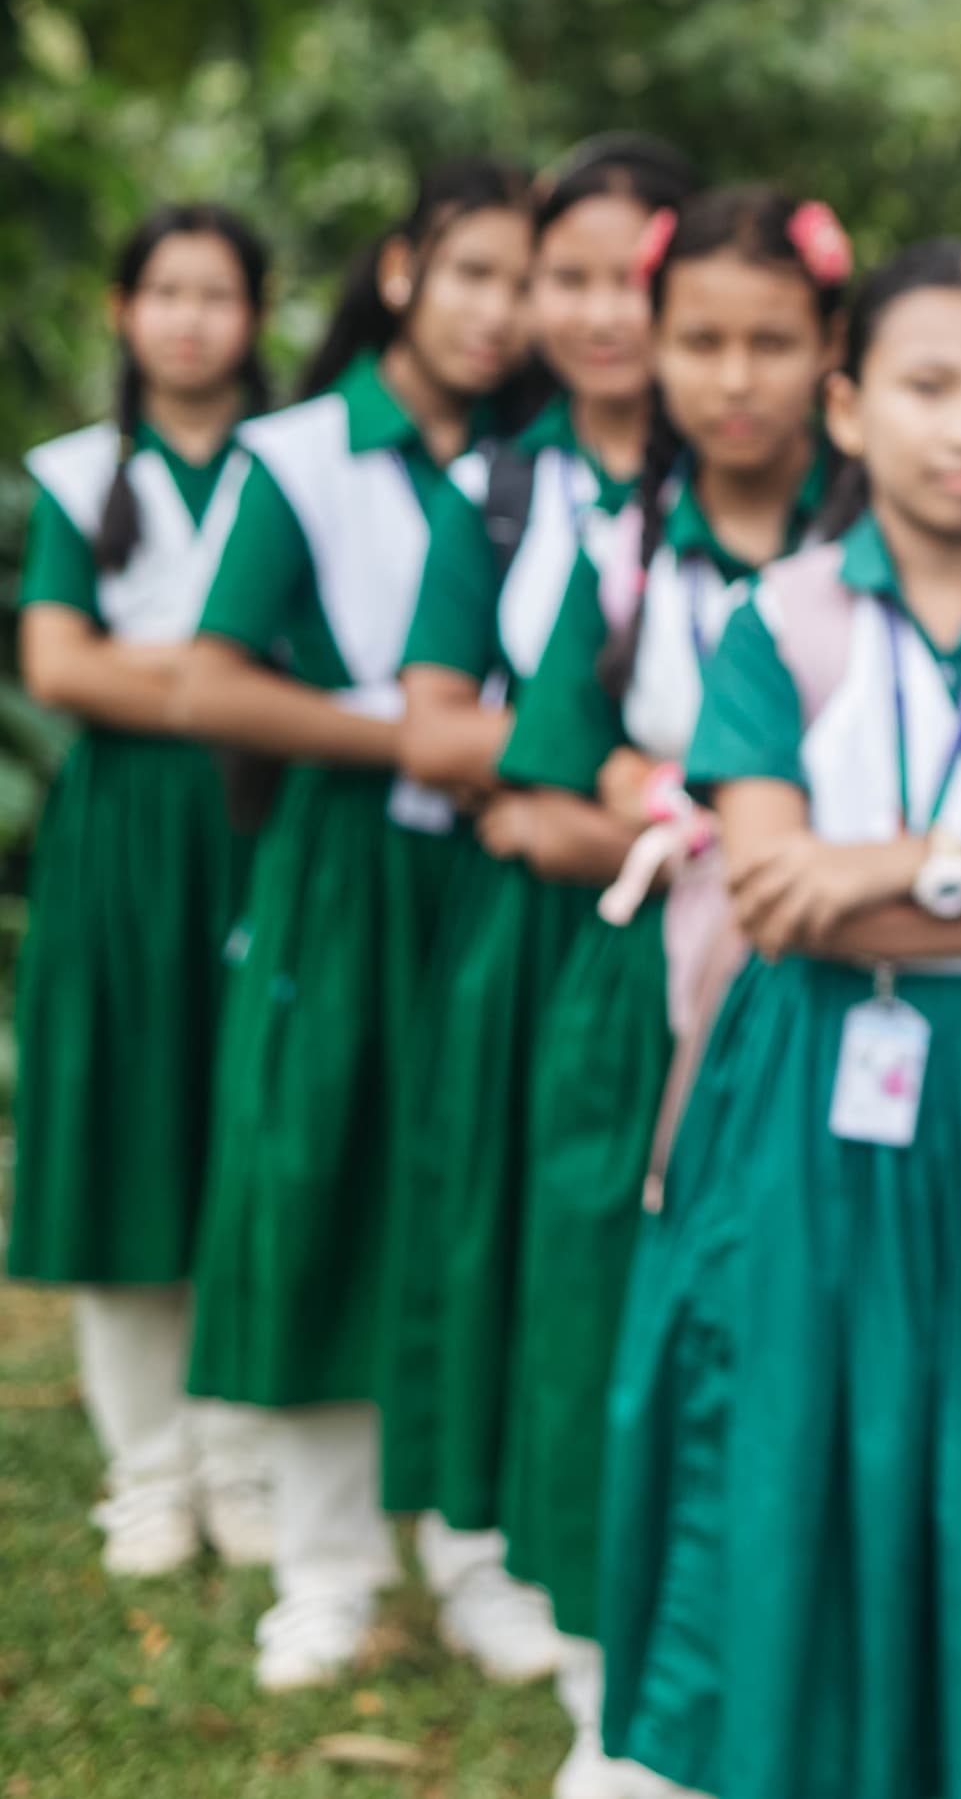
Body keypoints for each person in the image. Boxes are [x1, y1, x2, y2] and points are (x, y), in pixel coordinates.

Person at [601, 240, 961, 1799]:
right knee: (801, 1396)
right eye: (927, 387)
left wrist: (903, 866)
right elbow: (775, 891)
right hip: (808, 1069)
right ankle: (785, 1739)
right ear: (849, 408)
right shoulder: (775, 625)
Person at [478, 185, 849, 1798]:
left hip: (832, 992)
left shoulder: (880, 538)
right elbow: (524, 794)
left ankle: (810, 1651)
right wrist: (673, 811)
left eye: (773, 339)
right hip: (640, 1003)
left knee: (809, 1313)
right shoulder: (623, 559)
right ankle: (613, 1685)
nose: (734, 376)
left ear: (834, 354)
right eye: (702, 339)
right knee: (618, 1323)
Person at [173, 159, 539, 1689]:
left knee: (474, 1202)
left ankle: (477, 1557)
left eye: (529, 283)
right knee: (316, 1189)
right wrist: (413, 738)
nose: (500, 312)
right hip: (340, 870)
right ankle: (326, 1569)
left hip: (499, 878)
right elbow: (210, 681)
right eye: (475, 274)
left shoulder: (550, 465)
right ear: (403, 271)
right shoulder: (303, 458)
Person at [388, 132, 698, 1685]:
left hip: (692, 921)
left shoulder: (751, 480)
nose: (597, 312)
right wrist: (599, 790)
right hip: (534, 945)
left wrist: (563, 804)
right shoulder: (499, 491)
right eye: (564, 276)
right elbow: (430, 721)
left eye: (632, 277)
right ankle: (492, 1538)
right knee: (514, 1215)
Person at [11, 205, 278, 1578]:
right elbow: (58, 668)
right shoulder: (76, 476)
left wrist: (159, 675)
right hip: (121, 847)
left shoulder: (291, 471)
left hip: (259, 830)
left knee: (248, 1139)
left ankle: (244, 1461)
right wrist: (221, 687)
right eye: (164, 291)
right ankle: (148, 1474)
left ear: (257, 315)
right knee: (128, 1137)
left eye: (217, 293)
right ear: (124, 312)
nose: (189, 318)